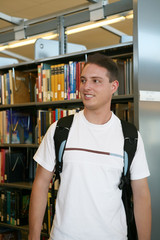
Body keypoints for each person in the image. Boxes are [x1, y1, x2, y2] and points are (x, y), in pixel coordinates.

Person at [28, 53, 151, 240]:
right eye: (83, 80)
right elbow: (41, 184)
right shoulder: (60, 130)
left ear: (114, 87)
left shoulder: (130, 137)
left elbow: (141, 195)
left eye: (96, 81)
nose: (86, 87)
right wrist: (33, 236)